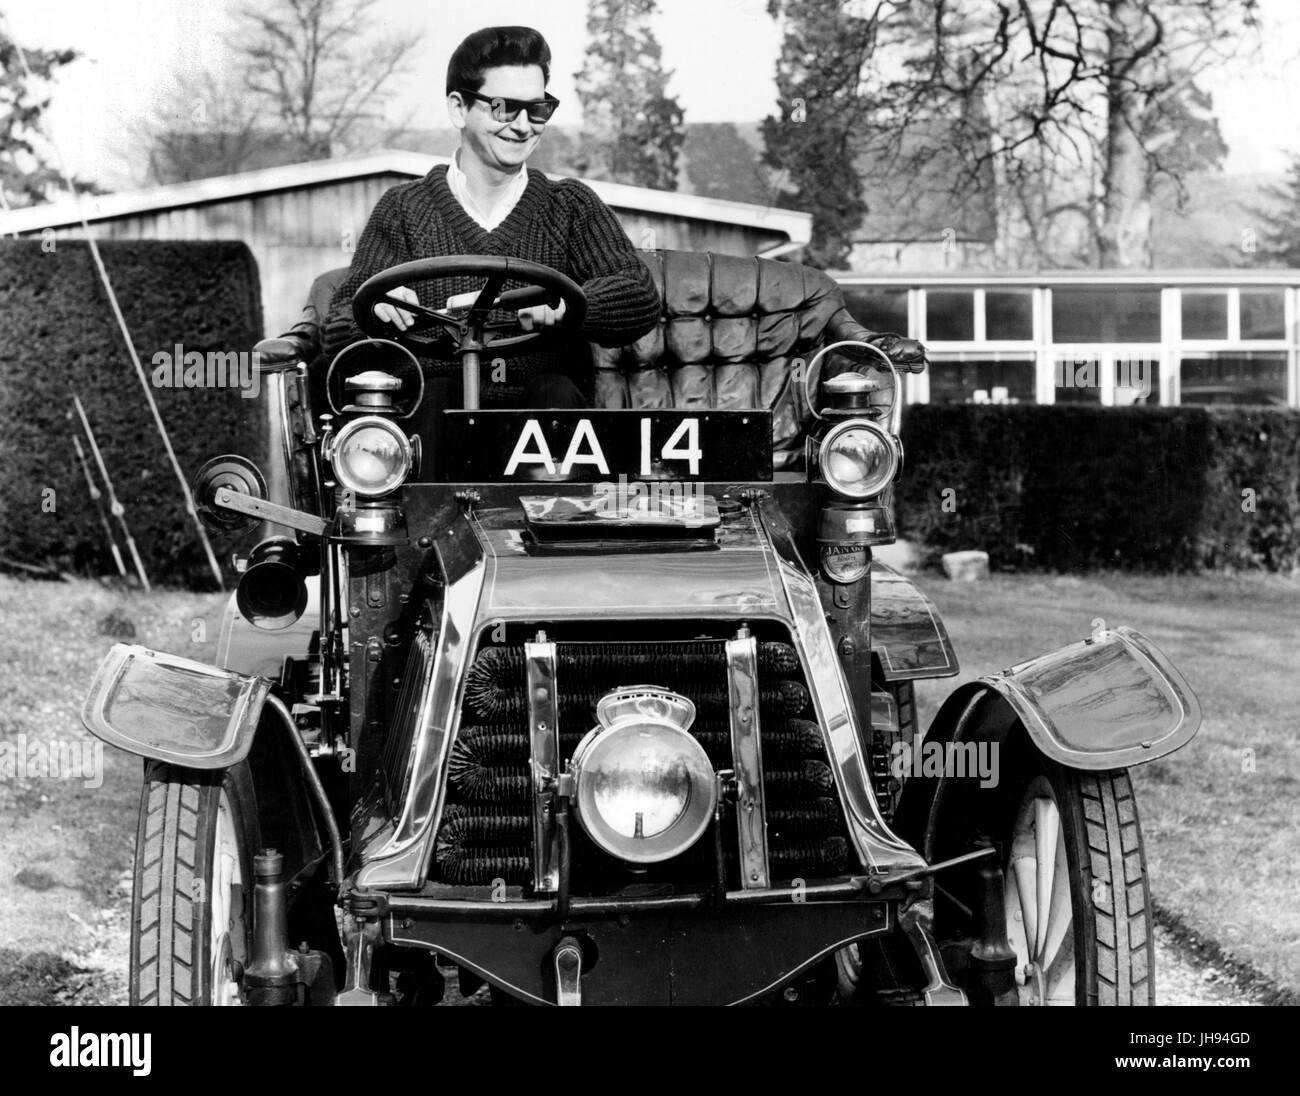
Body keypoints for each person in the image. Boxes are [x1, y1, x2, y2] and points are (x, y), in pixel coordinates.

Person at [322, 25, 661, 410]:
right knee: (434, 397)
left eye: (536, 109)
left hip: (542, 417)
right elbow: (337, 328)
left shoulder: (571, 205)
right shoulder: (402, 209)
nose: (521, 126)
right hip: (435, 417)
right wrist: (375, 311)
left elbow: (638, 296)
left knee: (554, 393)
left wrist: (568, 306)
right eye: (503, 107)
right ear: (458, 108)